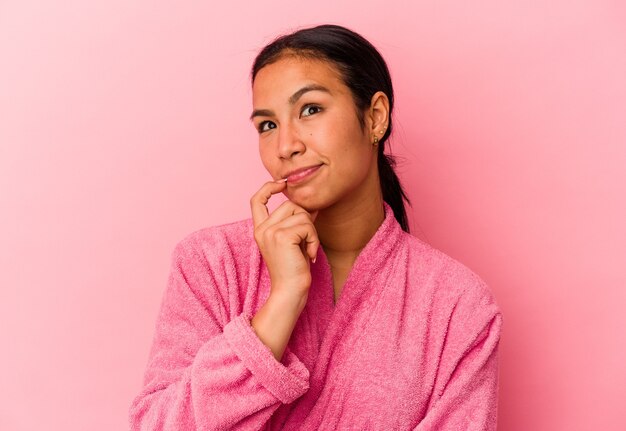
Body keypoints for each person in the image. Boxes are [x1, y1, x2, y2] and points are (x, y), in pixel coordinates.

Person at [129, 24, 502, 430]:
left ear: (375, 117)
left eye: (310, 109)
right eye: (267, 125)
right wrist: (282, 302)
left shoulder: (458, 305)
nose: (286, 145)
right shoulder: (211, 263)